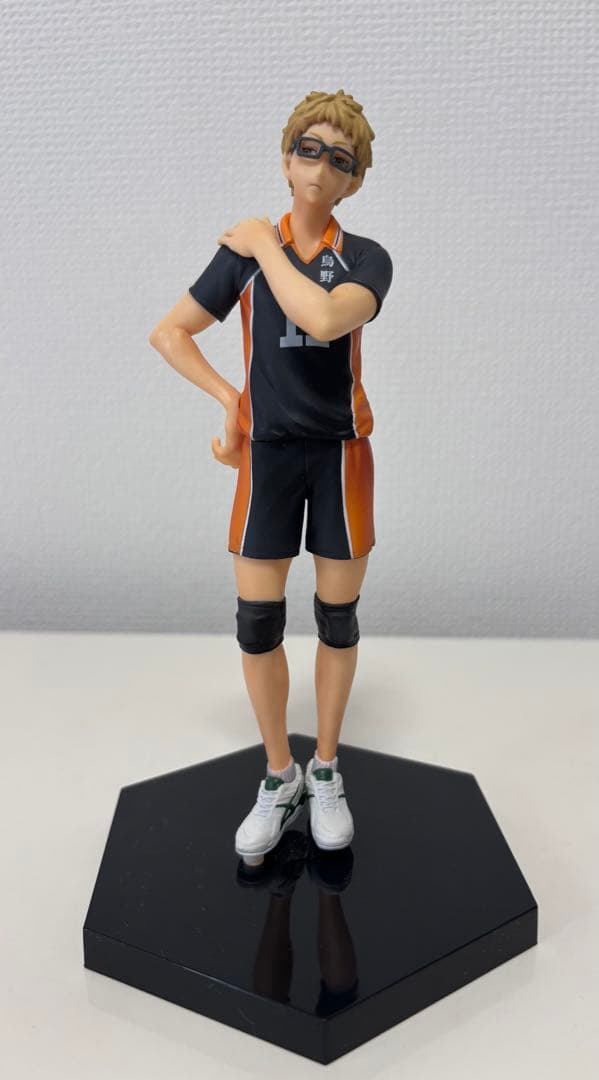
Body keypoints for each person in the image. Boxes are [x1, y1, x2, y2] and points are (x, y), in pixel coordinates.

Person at [149, 89, 393, 866]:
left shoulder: (366, 258)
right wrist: (232, 399)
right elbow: (171, 333)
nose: (320, 168)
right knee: (257, 623)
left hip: (341, 453)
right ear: (287, 160)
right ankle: (279, 773)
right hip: (268, 458)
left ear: (355, 180)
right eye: (308, 150)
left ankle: (326, 767)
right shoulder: (247, 254)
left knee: (336, 617)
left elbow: (323, 318)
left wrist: (262, 243)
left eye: (339, 158)